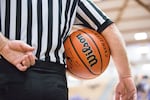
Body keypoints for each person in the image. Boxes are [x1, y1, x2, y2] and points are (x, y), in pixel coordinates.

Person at [0, 0, 137, 100]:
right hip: (54, 83)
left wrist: (3, 46)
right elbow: (108, 27)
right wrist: (126, 76)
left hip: (9, 72)